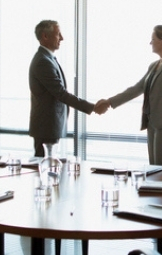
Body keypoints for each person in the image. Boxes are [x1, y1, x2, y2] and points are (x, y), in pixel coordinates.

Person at [97, 25, 162, 168]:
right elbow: (137, 88)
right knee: (155, 168)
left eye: (153, 39)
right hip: (152, 123)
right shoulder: (154, 65)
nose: (150, 43)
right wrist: (110, 101)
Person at [28, 20, 107, 157]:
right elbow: (61, 93)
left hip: (49, 126)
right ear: (45, 36)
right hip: (46, 127)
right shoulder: (43, 61)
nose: (62, 38)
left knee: (48, 168)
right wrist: (92, 107)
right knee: (44, 168)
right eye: (58, 34)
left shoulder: (47, 58)